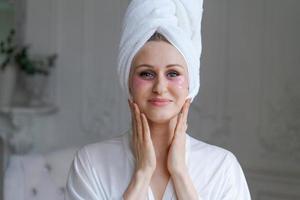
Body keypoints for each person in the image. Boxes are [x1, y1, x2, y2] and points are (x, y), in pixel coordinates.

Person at [65, 0, 251, 199]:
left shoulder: (221, 167)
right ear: (128, 82)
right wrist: (142, 175)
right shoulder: (91, 163)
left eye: (173, 74)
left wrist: (180, 174)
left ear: (191, 83)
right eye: (146, 74)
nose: (160, 88)